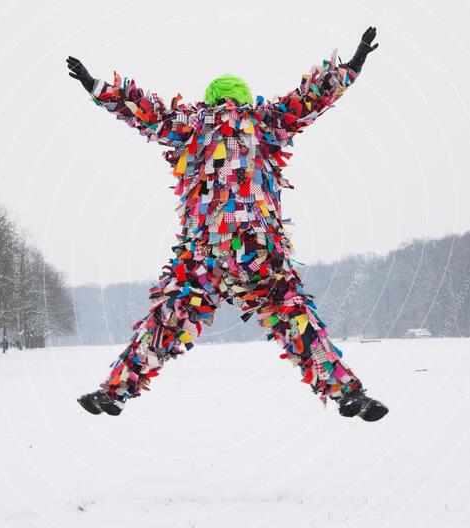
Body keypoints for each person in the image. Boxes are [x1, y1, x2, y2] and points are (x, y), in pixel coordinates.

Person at [69, 27, 388, 422]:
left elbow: (145, 112)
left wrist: (97, 85)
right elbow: (310, 100)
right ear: (241, 98)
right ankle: (346, 394)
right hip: (258, 250)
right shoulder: (267, 122)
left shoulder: (191, 125)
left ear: (212, 99)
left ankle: (115, 391)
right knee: (295, 319)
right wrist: (353, 64)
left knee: (166, 321)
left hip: (203, 255)